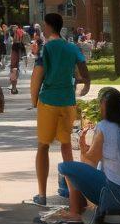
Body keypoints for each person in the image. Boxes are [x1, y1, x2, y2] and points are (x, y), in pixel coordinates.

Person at [44, 87, 120, 224]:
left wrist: (83, 149)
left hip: (114, 196)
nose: (100, 109)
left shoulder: (104, 126)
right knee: (65, 186)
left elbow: (90, 162)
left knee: (65, 168)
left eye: (101, 105)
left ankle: (74, 213)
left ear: (106, 108)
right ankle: (79, 207)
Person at [30, 12, 90, 207]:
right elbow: (83, 67)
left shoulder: (46, 49)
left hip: (48, 101)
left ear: (48, 27)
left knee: (43, 146)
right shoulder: (71, 47)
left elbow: (38, 74)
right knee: (66, 147)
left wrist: (33, 99)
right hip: (67, 102)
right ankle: (74, 194)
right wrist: (86, 84)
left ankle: (42, 194)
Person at [9, 28, 26, 94]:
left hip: (15, 62)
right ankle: (14, 88)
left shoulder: (16, 44)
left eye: (16, 35)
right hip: (16, 62)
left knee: (14, 74)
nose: (14, 36)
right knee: (14, 74)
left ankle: (14, 88)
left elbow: (15, 54)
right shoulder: (20, 44)